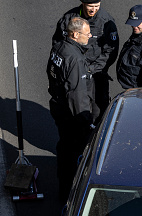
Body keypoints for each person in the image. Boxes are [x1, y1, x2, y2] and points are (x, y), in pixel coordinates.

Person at [47, 17, 95, 201]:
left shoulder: (58, 47)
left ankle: (63, 184)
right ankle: (70, 194)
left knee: (64, 147)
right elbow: (77, 94)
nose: (89, 36)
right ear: (75, 34)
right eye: (87, 33)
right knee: (73, 154)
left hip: (58, 106)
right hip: (71, 115)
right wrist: (86, 122)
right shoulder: (74, 58)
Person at [52, 0, 118, 121]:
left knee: (99, 112)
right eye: (90, 6)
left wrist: (91, 69)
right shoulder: (68, 19)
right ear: (83, 3)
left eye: (97, 6)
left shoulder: (106, 21)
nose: (94, 9)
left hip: (96, 75)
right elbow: (59, 44)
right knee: (74, 109)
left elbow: (110, 51)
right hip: (74, 73)